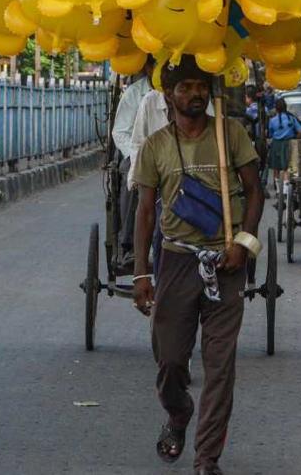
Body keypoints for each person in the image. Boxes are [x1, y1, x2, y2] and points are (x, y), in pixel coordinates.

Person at [131, 55, 263, 475]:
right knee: (170, 360)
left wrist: (243, 242)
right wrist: (140, 272)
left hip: (227, 263)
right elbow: (145, 212)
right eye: (185, 87)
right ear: (168, 95)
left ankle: (207, 458)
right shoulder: (156, 146)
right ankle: (178, 412)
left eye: (201, 86)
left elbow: (255, 192)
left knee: (220, 366)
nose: (195, 94)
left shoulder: (231, 133)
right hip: (176, 261)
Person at [112, 61, 155, 266]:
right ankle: (129, 244)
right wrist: (135, 155)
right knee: (132, 174)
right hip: (139, 154)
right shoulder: (134, 94)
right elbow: (120, 132)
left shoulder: (182, 91)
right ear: (148, 68)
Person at [266, 98, 301, 192]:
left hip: (276, 144)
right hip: (288, 143)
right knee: (287, 167)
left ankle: (278, 190)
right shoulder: (291, 118)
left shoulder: (272, 120)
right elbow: (300, 131)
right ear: (285, 108)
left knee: (276, 167)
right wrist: (294, 138)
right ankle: (285, 191)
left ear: (276, 108)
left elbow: (270, 134)